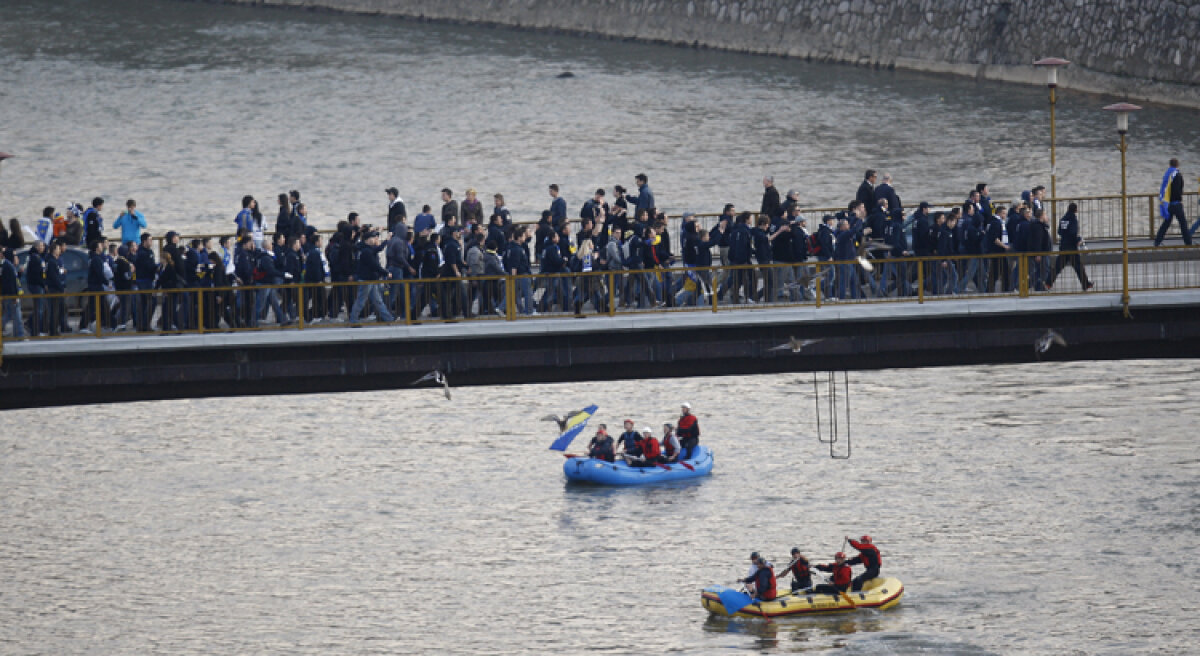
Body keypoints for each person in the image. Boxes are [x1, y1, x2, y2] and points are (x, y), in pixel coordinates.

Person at [349, 230, 394, 323]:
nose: (375, 239)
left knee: (378, 301)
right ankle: (353, 320)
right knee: (361, 301)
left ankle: (389, 318)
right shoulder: (366, 252)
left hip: (370, 279)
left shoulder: (366, 249)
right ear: (367, 240)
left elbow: (379, 248)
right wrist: (386, 273)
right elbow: (374, 265)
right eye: (373, 238)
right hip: (366, 280)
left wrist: (387, 240)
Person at [1050, 202, 1093, 291]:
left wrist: (1065, 236)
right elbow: (1073, 233)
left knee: (1058, 267)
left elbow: (1059, 232)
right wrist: (1078, 240)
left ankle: (1048, 283)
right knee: (1078, 267)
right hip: (1072, 248)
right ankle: (1086, 284)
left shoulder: (1063, 219)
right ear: (1075, 210)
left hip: (1063, 246)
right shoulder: (1073, 220)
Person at [1155, 158, 1191, 246]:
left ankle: (1157, 242)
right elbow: (1179, 189)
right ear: (1177, 165)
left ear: (1170, 165)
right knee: (1183, 224)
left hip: (1168, 203)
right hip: (1176, 203)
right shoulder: (1177, 175)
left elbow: (1164, 188)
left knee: (1166, 224)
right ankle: (1188, 242)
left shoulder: (1167, 175)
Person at [0, 248, 24, 339]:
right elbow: (11, 283)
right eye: (14, 255)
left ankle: (17, 333)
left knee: (9, 314)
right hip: (11, 295)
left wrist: (19, 273)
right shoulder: (9, 266)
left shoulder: (7, 266)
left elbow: (14, 280)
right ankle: (20, 335)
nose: (16, 257)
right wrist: (14, 296)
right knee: (17, 316)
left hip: (8, 294)